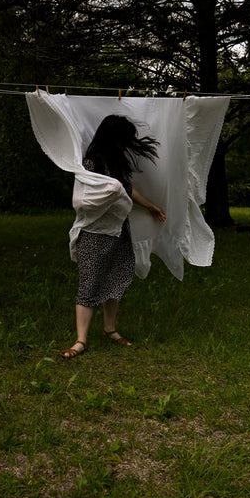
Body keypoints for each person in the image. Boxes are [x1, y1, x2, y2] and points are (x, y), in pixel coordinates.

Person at [61, 114, 166, 359]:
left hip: (118, 231)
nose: (126, 146)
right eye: (123, 140)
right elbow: (83, 200)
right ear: (113, 138)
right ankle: (80, 340)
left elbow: (126, 189)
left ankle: (110, 329)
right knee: (89, 283)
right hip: (94, 233)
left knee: (117, 279)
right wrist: (113, 191)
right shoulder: (90, 163)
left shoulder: (115, 162)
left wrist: (150, 205)